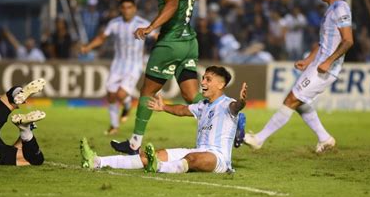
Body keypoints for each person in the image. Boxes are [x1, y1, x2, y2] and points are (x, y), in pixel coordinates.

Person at [244, 0, 354, 153]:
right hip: (318, 65)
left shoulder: (341, 8)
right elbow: (324, 43)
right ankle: (325, 139)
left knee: (292, 99)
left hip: (325, 68)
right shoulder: (331, 10)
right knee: (300, 101)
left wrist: (328, 62)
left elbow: (348, 40)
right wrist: (308, 59)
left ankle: (259, 139)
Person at [110, 0, 205, 155]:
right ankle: (227, 113)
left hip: (170, 44)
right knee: (191, 95)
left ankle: (134, 144)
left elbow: (172, 4)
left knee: (147, 92)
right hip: (190, 42)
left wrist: (150, 27)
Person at [80, 66, 247, 174]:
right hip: (197, 150)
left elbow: (236, 107)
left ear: (220, 84)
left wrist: (241, 102)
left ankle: (159, 167)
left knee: (193, 159)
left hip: (218, 158)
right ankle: (96, 161)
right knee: (152, 155)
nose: (202, 82)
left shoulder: (228, 104)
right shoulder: (203, 105)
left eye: (208, 79)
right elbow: (182, 110)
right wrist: (164, 107)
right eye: (203, 78)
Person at [81, 0, 151, 135]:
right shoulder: (114, 23)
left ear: (134, 8)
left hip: (134, 64)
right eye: (124, 7)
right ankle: (114, 125)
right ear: (120, 9)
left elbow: (156, 35)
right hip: (117, 64)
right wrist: (89, 47)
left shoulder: (143, 23)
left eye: (129, 7)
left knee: (121, 94)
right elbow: (102, 37)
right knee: (111, 95)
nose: (126, 10)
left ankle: (127, 104)